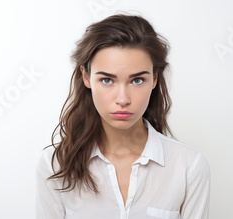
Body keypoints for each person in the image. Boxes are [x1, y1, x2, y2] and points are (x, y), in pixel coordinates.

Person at [36, 14, 210, 219]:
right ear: (86, 77)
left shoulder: (188, 166)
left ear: (154, 79)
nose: (123, 99)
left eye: (137, 80)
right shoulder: (54, 165)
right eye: (107, 80)